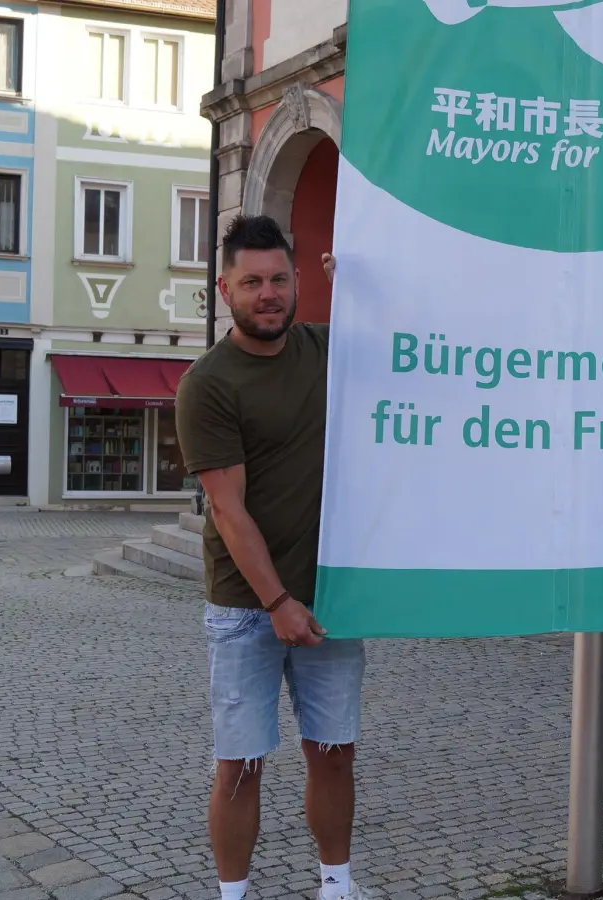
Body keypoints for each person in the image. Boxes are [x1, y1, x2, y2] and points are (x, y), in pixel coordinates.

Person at [175, 215, 369, 900]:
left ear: (297, 281)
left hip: (330, 599)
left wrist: (363, 289)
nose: (268, 293)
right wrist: (278, 603)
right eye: (252, 281)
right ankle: (233, 894)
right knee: (241, 765)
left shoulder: (324, 350)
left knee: (335, 753)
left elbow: (402, 344)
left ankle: (337, 884)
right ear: (224, 288)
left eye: (280, 279)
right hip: (245, 606)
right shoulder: (208, 383)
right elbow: (228, 509)